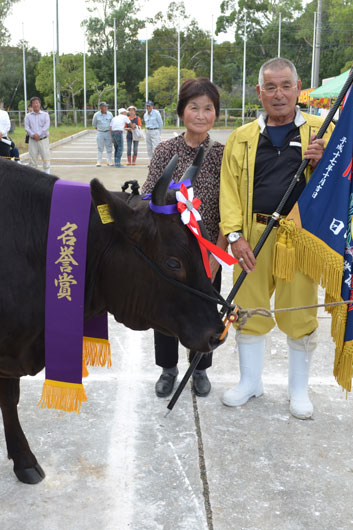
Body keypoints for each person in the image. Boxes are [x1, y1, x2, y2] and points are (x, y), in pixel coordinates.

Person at [219, 57, 330, 419]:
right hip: (252, 235)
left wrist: (324, 162)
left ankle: (298, 389)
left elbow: (342, 184)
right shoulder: (241, 138)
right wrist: (235, 236)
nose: (279, 94)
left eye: (286, 86)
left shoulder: (321, 132)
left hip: (299, 237)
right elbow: (229, 192)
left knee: (299, 310)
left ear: (299, 89)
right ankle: (250, 381)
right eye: (271, 87)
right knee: (248, 309)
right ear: (259, 92)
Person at [142, 78, 227, 399]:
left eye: (208, 108)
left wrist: (217, 256)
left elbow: (229, 209)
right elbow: (149, 196)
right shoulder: (166, 150)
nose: (201, 114)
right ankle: (168, 369)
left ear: (216, 114)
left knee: (206, 312)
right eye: (194, 107)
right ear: (181, 111)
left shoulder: (223, 154)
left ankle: (200, 369)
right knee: (165, 311)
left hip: (207, 253)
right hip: (169, 254)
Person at [24, 96, 51, 173]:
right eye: (33, 103)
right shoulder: (27, 116)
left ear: (40, 104)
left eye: (37, 103)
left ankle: (47, 176)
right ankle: (33, 179)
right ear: (31, 105)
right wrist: (33, 135)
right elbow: (27, 128)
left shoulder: (45, 115)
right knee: (33, 160)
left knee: (46, 158)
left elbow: (46, 127)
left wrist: (38, 134)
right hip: (32, 140)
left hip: (43, 140)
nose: (35, 105)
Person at [92, 101, 113, 166]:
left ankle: (109, 161)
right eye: (105, 106)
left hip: (108, 132)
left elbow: (112, 123)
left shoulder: (110, 114)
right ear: (101, 107)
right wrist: (100, 130)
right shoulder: (96, 115)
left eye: (106, 106)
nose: (106, 107)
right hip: (100, 132)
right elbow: (94, 125)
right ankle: (99, 161)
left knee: (109, 147)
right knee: (100, 147)